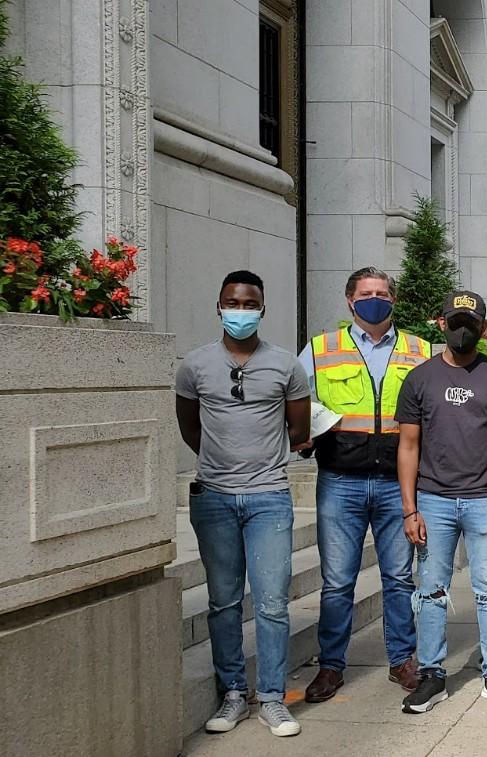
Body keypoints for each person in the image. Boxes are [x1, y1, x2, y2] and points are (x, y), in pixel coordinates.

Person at [177, 270, 311, 737]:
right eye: (232, 302)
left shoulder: (286, 365)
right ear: (218, 306)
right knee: (223, 601)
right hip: (213, 498)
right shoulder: (194, 365)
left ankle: (273, 697)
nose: (240, 310)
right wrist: (223, 461)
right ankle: (234, 693)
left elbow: (299, 432)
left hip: (269, 498)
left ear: (262, 309)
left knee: (273, 602)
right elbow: (190, 428)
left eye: (248, 303)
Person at [297, 267, 429, 704]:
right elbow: (298, 402)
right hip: (340, 480)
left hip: (397, 483)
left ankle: (403, 660)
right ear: (350, 301)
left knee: (398, 577)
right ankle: (331, 666)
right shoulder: (321, 349)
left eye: (383, 293)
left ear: (394, 299)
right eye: (366, 294)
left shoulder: (419, 350)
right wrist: (304, 434)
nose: (376, 299)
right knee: (337, 582)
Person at [395, 290, 487, 714]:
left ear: (484, 329)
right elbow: (409, 447)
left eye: (470, 323)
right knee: (431, 590)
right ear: (441, 323)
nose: (461, 330)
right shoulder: (420, 378)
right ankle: (432, 674)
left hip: (486, 498)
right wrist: (410, 508)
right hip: (432, 499)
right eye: (455, 322)